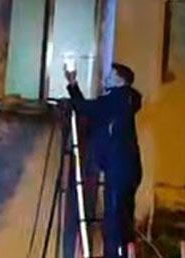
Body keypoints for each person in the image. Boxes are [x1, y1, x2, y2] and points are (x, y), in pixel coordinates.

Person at [65, 63, 142, 258]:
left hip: (118, 170)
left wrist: (71, 91)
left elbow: (86, 108)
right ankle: (123, 252)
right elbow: (92, 110)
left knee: (114, 222)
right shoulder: (121, 102)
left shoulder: (116, 100)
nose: (105, 79)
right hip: (125, 169)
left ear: (120, 81)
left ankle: (114, 254)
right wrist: (73, 85)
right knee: (122, 220)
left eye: (110, 76)